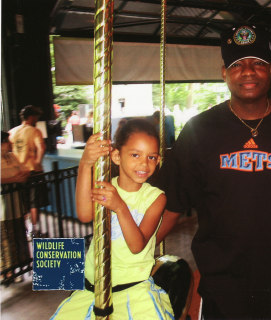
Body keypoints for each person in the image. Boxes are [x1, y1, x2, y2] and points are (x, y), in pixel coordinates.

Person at [155, 25, 271, 318]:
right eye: (237, 65)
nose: (248, 71)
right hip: (223, 284)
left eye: (258, 63)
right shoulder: (199, 131)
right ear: (224, 73)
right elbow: (172, 203)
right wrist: (130, 247)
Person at [51, 119, 174, 319]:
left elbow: (137, 245)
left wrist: (119, 206)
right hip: (94, 285)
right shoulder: (106, 187)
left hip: (132, 287)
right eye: (135, 155)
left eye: (151, 157)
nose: (144, 163)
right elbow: (84, 215)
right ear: (116, 156)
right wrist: (86, 164)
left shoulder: (155, 198)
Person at [8, 105, 46, 239]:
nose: (37, 119)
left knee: (23, 203)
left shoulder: (12, 132)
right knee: (34, 202)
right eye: (36, 117)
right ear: (31, 117)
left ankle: (26, 229)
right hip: (32, 171)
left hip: (18, 173)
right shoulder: (34, 131)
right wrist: (37, 162)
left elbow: (9, 151)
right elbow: (41, 147)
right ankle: (34, 230)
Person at [1, 131, 30, 283]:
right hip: (3, 209)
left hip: (16, 203)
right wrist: (13, 179)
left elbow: (24, 170)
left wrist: (20, 177)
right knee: (6, 239)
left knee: (19, 234)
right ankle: (6, 271)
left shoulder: (11, 156)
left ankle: (20, 266)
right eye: (7, 142)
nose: (10, 144)